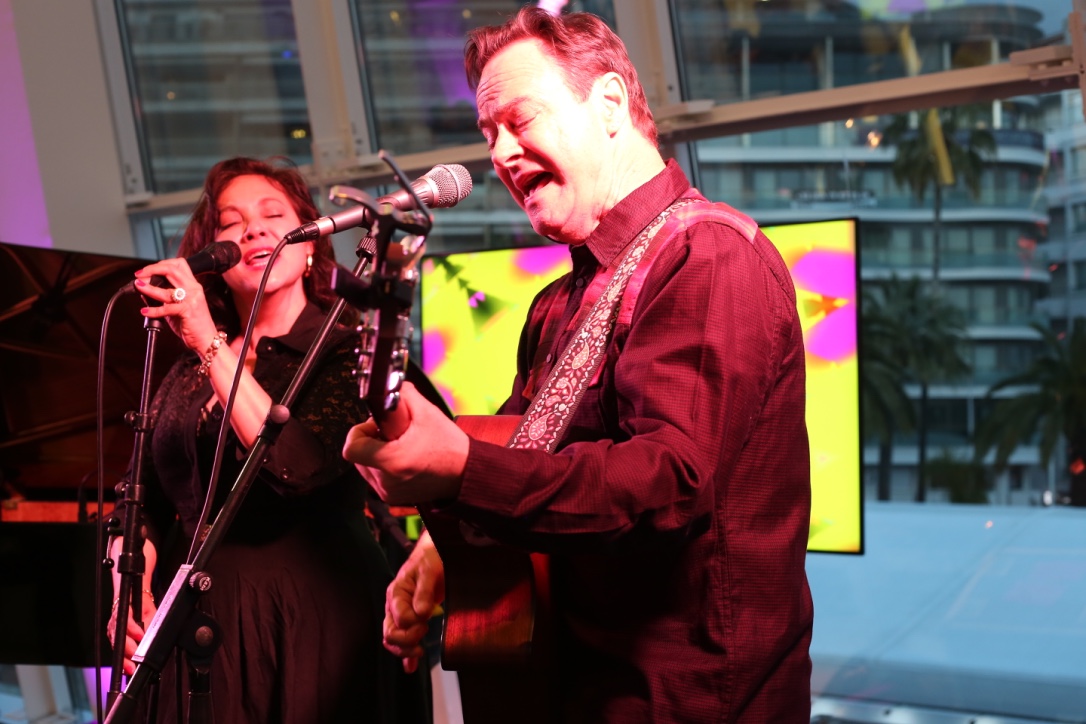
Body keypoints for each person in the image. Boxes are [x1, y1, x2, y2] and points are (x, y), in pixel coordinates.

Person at [343, 7, 814, 724]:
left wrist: (461, 470)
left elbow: (668, 482)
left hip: (684, 700)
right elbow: (519, 453)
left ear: (611, 104)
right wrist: (444, 547)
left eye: (520, 120)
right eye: (489, 134)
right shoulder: (556, 304)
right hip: (571, 687)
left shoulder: (710, 257)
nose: (501, 153)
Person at [106, 156, 429, 724]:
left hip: (310, 619)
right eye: (231, 223)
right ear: (217, 259)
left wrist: (209, 342)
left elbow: (296, 466)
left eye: (272, 214)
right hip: (193, 624)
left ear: (310, 245)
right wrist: (127, 584)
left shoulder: (348, 350)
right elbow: (140, 497)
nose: (253, 229)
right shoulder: (184, 370)